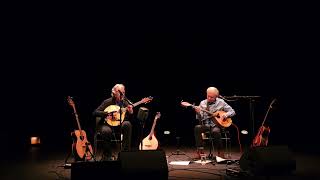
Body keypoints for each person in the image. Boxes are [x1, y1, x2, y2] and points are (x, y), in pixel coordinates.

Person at [93, 84, 133, 161]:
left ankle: (125, 154)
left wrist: (130, 110)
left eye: (123, 92)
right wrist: (107, 114)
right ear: (114, 93)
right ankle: (107, 156)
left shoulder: (125, 102)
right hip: (107, 124)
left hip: (120, 124)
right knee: (106, 131)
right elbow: (95, 112)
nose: (122, 94)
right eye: (120, 92)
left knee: (127, 124)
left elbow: (130, 113)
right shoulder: (107, 102)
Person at [193, 87, 235, 159]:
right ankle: (200, 151)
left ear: (216, 96)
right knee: (197, 128)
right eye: (208, 96)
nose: (209, 98)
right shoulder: (202, 103)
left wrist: (226, 115)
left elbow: (232, 111)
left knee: (215, 131)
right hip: (206, 125)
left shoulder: (221, 102)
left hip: (217, 125)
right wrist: (198, 113)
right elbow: (199, 119)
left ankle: (220, 152)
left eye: (211, 97)